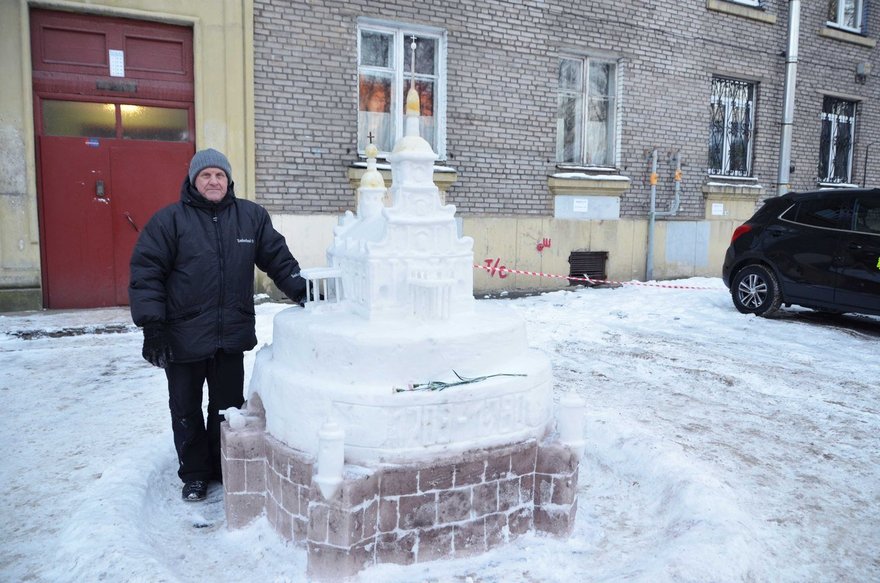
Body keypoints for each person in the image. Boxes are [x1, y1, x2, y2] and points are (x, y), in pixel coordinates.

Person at [129, 148, 307, 502]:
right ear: (194, 181)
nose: (213, 181)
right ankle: (194, 474)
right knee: (185, 408)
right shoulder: (169, 222)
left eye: (219, 176)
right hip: (183, 337)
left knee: (227, 410)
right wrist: (153, 327)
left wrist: (305, 292)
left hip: (230, 336)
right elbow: (147, 274)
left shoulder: (250, 218)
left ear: (229, 181)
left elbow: (277, 259)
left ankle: (224, 465)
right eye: (206, 175)